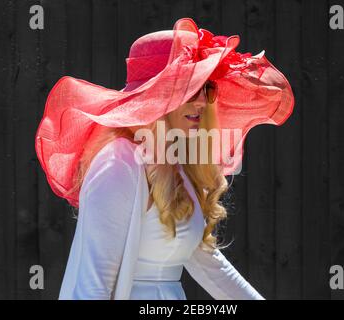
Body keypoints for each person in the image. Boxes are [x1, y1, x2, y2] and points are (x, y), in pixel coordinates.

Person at [35, 17, 295, 300]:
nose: (200, 102)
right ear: (158, 95)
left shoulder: (178, 166)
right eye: (190, 89)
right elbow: (91, 284)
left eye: (206, 89)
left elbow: (212, 268)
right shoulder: (117, 164)